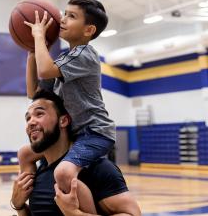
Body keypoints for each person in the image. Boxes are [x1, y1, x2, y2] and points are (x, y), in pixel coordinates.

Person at [19, 0, 116, 198]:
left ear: (89, 30)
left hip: (94, 132)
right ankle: (31, 199)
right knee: (25, 154)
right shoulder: (64, 60)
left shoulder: (86, 54)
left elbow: (45, 71)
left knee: (63, 172)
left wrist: (38, 37)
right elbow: (34, 93)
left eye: (71, 16)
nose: (62, 19)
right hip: (72, 134)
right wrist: (31, 54)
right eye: (64, 13)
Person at [11, 90, 141, 216]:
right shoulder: (38, 172)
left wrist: (75, 214)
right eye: (28, 118)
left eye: (39, 114)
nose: (31, 122)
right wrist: (19, 206)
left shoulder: (98, 168)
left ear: (63, 121)